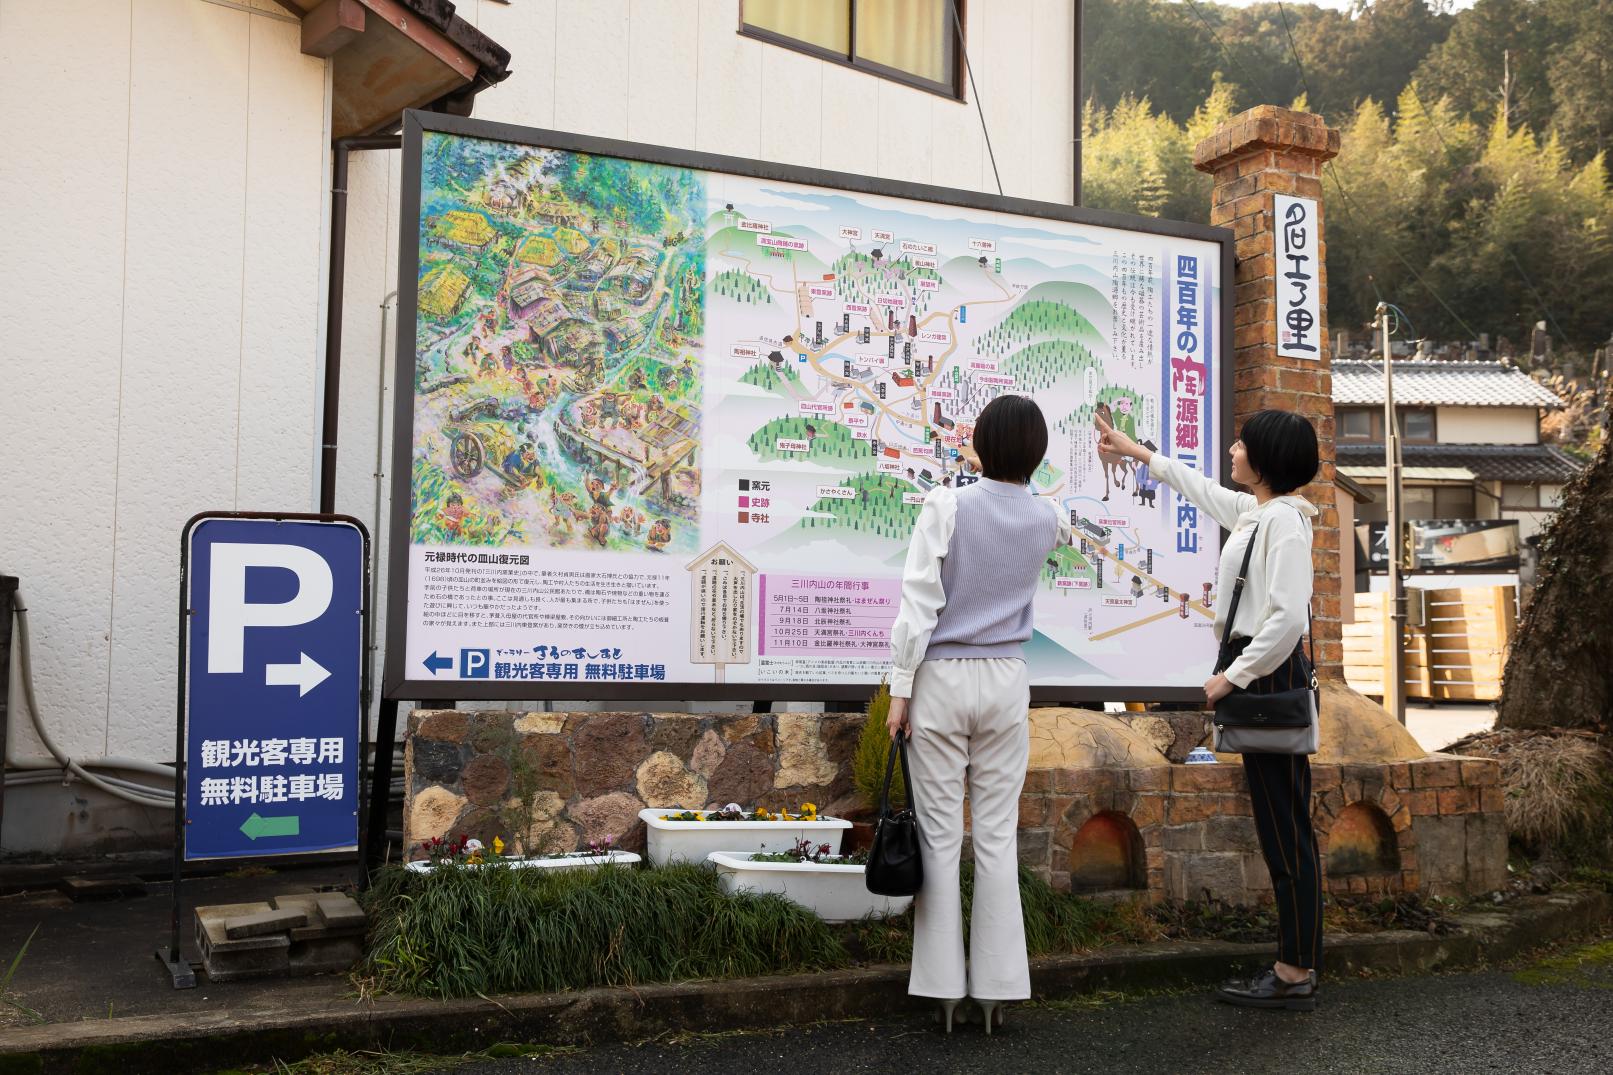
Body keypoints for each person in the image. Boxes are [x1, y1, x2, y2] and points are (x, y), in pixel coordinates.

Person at [1097, 408, 1323, 1011]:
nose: (1231, 448)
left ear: (1266, 458)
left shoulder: (1283, 525)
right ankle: (1294, 963)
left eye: (1241, 443)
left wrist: (1231, 679)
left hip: (1267, 676)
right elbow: (1200, 490)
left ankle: (1295, 971)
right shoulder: (1260, 515)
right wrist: (1138, 454)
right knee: (1280, 826)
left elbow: (1288, 620)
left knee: (1286, 829)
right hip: (1260, 673)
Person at [885, 394, 1072, 1034]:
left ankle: (940, 991)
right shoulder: (1048, 519)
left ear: (980, 444)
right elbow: (1037, 502)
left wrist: (899, 689)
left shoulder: (947, 504)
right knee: (995, 837)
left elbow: (917, 603)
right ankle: (996, 991)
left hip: (940, 676)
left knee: (939, 838)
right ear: (1037, 453)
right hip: (1005, 679)